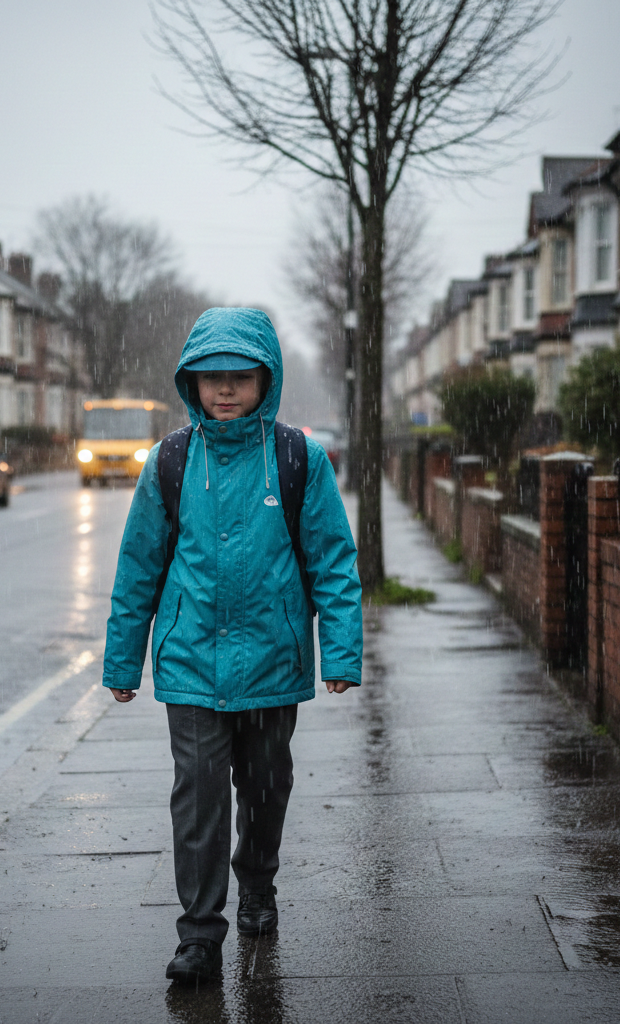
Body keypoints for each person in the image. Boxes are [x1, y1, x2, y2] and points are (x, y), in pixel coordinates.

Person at [102, 306, 363, 985]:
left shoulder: (298, 458)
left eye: (240, 377)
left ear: (265, 380)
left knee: (267, 786)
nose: (225, 389)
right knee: (199, 796)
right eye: (211, 376)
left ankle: (258, 880)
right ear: (191, 381)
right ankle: (199, 935)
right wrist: (123, 659)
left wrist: (340, 652)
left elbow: (333, 560)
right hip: (191, 661)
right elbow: (139, 566)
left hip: (273, 660)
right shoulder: (171, 461)